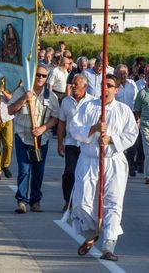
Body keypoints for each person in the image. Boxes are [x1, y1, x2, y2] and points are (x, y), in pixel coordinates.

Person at [66, 74, 138, 262]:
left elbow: (132, 134)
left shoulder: (123, 110)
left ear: (116, 90)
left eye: (110, 85)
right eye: (104, 85)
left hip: (113, 161)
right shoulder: (87, 107)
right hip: (89, 160)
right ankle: (91, 234)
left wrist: (111, 139)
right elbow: (74, 128)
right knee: (83, 201)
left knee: (113, 202)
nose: (106, 88)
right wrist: (93, 128)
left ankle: (108, 244)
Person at [8, 65, 58, 213]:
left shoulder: (51, 96)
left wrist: (43, 128)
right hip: (23, 136)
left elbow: (55, 117)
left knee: (38, 171)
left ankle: (35, 201)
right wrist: (25, 98)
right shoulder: (21, 91)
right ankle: (22, 201)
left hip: (41, 139)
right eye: (38, 75)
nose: (40, 78)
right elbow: (10, 110)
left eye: (43, 76)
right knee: (24, 170)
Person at [55, 74, 95, 210]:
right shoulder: (66, 101)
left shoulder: (92, 103)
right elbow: (61, 123)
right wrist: (60, 142)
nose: (73, 86)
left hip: (86, 144)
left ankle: (83, 202)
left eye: (76, 84)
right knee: (69, 173)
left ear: (85, 87)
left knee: (84, 175)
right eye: (72, 83)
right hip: (71, 143)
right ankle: (68, 201)